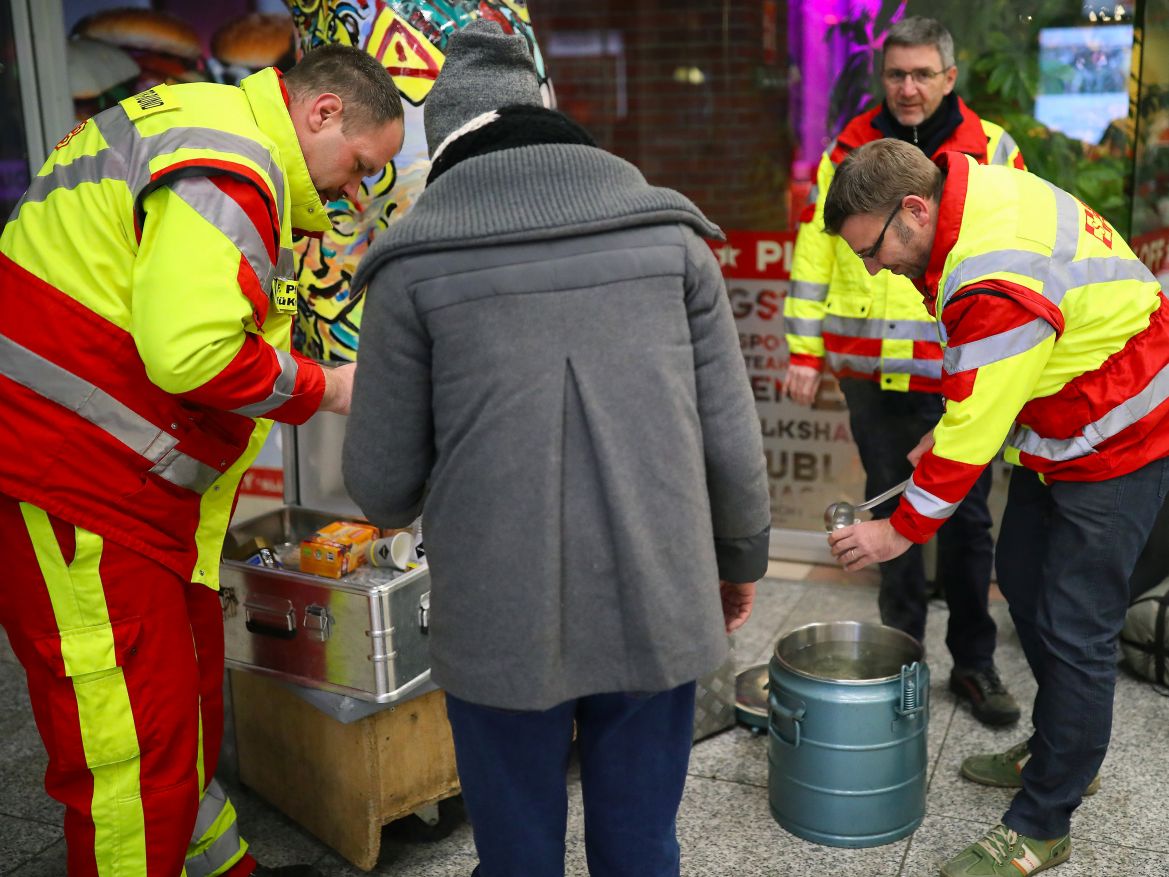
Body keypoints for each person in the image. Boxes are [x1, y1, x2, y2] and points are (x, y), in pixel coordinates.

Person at [341, 20, 770, 877]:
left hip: (500, 618)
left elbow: (381, 487)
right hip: (657, 593)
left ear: (445, 148)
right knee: (642, 845)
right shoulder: (672, 239)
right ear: (548, 114)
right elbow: (731, 436)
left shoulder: (409, 270)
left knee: (515, 854)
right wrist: (738, 560)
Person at [0, 45, 404, 877]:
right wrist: (332, 387)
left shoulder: (209, 131)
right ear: (322, 112)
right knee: (129, 752)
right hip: (75, 480)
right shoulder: (229, 164)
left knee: (176, 710)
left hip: (120, 483)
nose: (354, 192)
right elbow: (191, 355)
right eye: (361, 165)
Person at [822, 137, 1169, 877]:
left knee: (1076, 625)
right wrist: (949, 437)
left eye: (873, 249)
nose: (874, 267)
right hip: (1063, 424)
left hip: (1121, 437)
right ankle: (1060, 745)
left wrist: (895, 532)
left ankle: (1043, 821)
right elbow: (994, 378)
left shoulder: (987, 271)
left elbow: (974, 424)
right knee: (1021, 577)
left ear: (913, 208)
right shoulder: (970, 196)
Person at [783, 16, 1025, 727]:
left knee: (965, 521)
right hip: (869, 371)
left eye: (922, 73)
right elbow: (814, 252)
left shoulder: (989, 148)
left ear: (949, 77)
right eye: (896, 74)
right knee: (887, 513)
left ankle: (973, 666)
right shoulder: (847, 148)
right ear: (880, 79)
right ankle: (899, 657)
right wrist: (802, 351)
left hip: (958, 371)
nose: (909, 87)